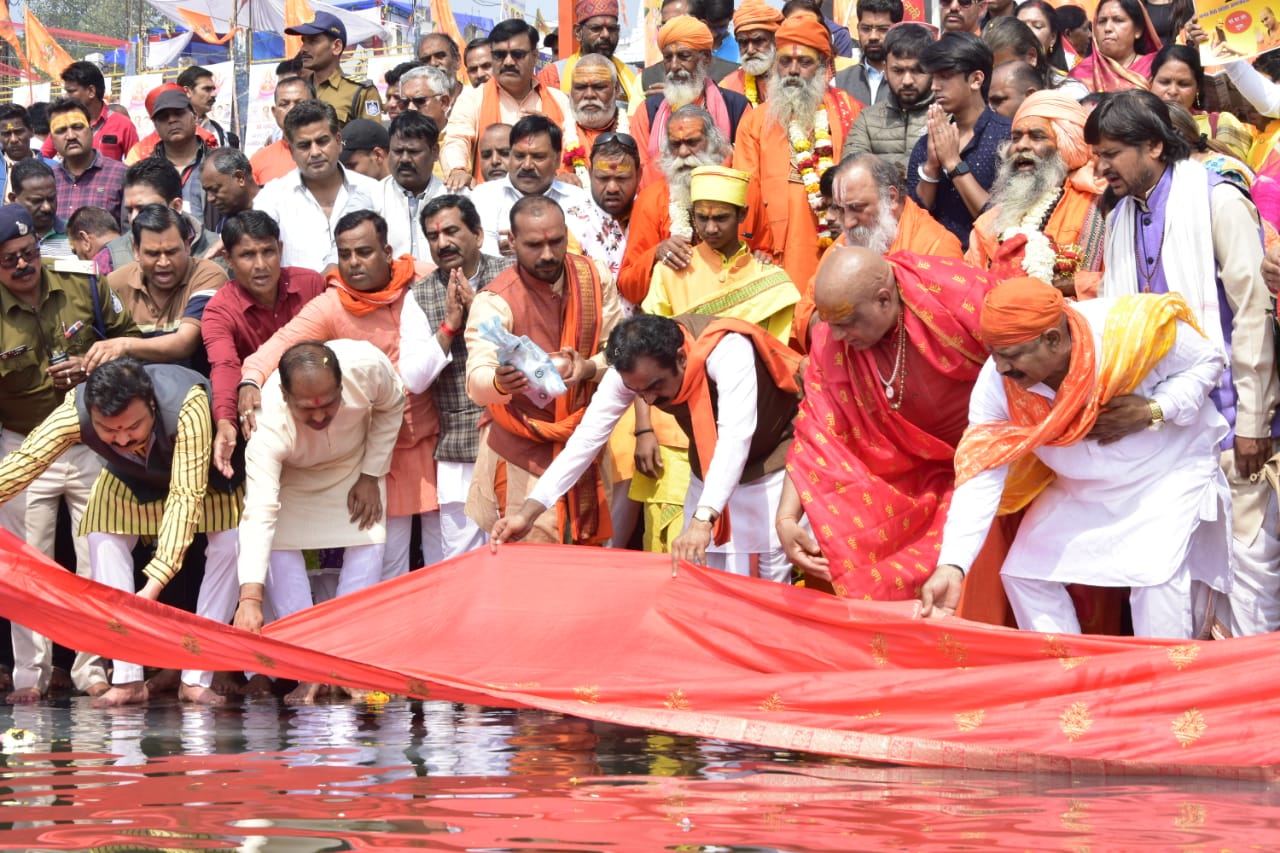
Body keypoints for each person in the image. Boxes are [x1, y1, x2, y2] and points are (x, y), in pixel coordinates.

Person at [921, 278, 1230, 640]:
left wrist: (1154, 409)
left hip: (1165, 476)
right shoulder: (998, 383)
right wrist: (953, 564)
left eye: (1011, 355)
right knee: (1024, 574)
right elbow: (981, 471)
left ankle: (1166, 674)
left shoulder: (1125, 330)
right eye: (994, 354)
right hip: (1081, 490)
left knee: (1154, 581)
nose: (1001, 368)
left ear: (1053, 339)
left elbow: (1208, 360)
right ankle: (1070, 668)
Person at [1090, 91, 1280, 637]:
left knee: (1247, 574)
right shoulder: (1121, 217)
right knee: (1173, 581)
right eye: (1097, 155)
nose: (1100, 169)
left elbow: (1252, 313)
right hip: (1163, 430)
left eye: (1111, 154)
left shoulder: (1218, 201)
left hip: (1232, 425)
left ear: (1153, 145)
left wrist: (1254, 421)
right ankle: (1190, 689)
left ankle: (1249, 689)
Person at [0, 355, 244, 704]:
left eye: (133, 426)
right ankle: (127, 678)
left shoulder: (187, 405)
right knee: (101, 534)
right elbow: (25, 462)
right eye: (109, 430)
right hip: (129, 481)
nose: (123, 438)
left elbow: (184, 497)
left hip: (201, 482)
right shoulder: (74, 410)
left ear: (151, 405)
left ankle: (196, 676)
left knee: (232, 543)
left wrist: (154, 585)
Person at [491, 311, 802, 580]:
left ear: (681, 358)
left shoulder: (729, 350)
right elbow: (586, 441)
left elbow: (735, 438)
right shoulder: (631, 372)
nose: (649, 400)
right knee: (703, 582)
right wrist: (528, 512)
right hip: (708, 473)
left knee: (767, 587)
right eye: (638, 392)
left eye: (655, 386)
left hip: (771, 469)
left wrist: (702, 520)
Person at [238, 211, 452, 580]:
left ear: (387, 252)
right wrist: (251, 379)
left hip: (439, 439)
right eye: (345, 254)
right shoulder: (332, 305)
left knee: (446, 554)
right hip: (381, 453)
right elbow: (281, 344)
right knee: (389, 565)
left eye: (364, 252)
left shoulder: (422, 280)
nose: (353, 263)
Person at [780, 243, 994, 601]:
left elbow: (1032, 345)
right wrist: (786, 516)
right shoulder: (833, 342)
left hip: (993, 465)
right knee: (853, 538)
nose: (837, 336)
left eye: (846, 323)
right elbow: (816, 428)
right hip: (911, 480)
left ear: (883, 299)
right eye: (830, 325)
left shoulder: (954, 293)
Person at [0, 204, 138, 703]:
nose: (23, 265)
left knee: (98, 559)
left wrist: (94, 364)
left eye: (28, 252)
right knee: (27, 568)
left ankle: (91, 667)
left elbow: (131, 341)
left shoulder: (82, 283)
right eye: (9, 259)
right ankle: (30, 676)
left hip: (90, 440)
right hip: (24, 445)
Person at [232, 340, 405, 703]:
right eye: (307, 408)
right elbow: (259, 512)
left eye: (329, 403)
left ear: (342, 384)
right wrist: (249, 596)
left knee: (369, 540)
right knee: (277, 548)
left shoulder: (367, 366)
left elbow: (393, 404)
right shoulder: (267, 425)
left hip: (355, 467)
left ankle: (344, 665)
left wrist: (372, 473)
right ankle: (309, 669)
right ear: (285, 396)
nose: (319, 417)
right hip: (292, 479)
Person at [463, 196, 623, 545]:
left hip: (584, 443)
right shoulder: (495, 301)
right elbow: (476, 381)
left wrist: (589, 368)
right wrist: (499, 382)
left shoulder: (593, 277)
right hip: (522, 451)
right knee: (529, 562)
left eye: (556, 241)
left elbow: (620, 351)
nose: (548, 254)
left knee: (586, 561)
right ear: (512, 241)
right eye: (534, 245)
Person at [413, 195, 513, 561]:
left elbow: (535, 351)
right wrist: (449, 326)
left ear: (479, 235)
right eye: (433, 236)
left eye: (452, 232)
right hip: (460, 452)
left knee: (521, 557)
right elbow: (415, 379)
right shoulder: (419, 295)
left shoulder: (513, 277)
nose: (442, 243)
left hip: (518, 441)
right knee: (462, 565)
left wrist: (478, 313)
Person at [733, 13, 862, 294]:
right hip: (772, 254)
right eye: (785, 61)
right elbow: (745, 193)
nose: (793, 70)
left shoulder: (850, 111)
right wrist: (753, 249)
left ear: (823, 66)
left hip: (838, 247)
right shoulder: (755, 122)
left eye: (804, 62)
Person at [202, 211, 327, 477]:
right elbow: (224, 366)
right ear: (228, 260)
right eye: (247, 255)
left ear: (280, 249)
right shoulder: (219, 310)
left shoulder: (311, 284)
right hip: (265, 415)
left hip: (321, 404)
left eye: (268, 252)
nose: (261, 265)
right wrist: (225, 422)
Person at [617, 105, 770, 307]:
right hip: (677, 317)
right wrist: (656, 254)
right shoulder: (650, 200)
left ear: (713, 143)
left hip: (741, 311)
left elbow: (767, 253)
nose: (683, 152)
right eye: (675, 144)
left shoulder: (746, 191)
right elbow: (628, 286)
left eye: (692, 142)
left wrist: (762, 260)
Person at [966, 91, 1107, 299]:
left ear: (1064, 145)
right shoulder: (989, 223)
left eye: (1037, 136)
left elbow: (1128, 282)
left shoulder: (1099, 208)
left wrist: (1071, 284)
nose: (1021, 145)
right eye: (1016, 137)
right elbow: (969, 284)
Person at [89, 204, 226, 374]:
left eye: (172, 252)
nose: (164, 262)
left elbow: (185, 343)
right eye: (153, 254)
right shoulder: (115, 284)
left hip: (196, 386)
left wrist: (125, 345)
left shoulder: (208, 275)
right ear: (136, 251)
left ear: (187, 245)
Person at [907, 32, 1012, 249]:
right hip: (933, 259)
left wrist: (953, 163)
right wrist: (932, 167)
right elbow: (914, 218)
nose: (934, 86)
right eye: (933, 77)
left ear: (976, 80)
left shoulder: (1007, 137)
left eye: (945, 76)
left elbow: (999, 221)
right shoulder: (927, 143)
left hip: (987, 259)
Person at [441, 19, 572, 189]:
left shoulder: (559, 100)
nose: (508, 62)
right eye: (500, 55)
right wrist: (458, 170)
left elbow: (572, 144)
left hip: (548, 196)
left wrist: (550, 132)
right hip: (493, 197)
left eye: (517, 54)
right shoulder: (472, 99)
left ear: (534, 56)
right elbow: (457, 139)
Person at [252, 100, 380, 271]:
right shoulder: (272, 198)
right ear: (292, 151)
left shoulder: (373, 190)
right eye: (304, 145)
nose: (315, 152)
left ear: (338, 141)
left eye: (322, 141)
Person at [630, 16, 753, 182]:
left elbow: (745, 168)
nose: (674, 66)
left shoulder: (736, 107)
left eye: (684, 56)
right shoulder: (647, 111)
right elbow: (641, 173)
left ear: (706, 58)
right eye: (668, 58)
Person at [467, 115, 590, 257]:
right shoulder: (484, 196)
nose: (527, 165)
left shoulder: (577, 198)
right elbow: (484, 259)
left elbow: (591, 257)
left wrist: (524, 249)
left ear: (557, 160)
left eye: (538, 157)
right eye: (519, 156)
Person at [95, 158, 220, 276]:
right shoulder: (110, 258)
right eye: (129, 210)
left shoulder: (217, 250)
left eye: (144, 209)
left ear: (176, 206)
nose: (133, 218)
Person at [842, 23, 935, 172]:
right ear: (885, 69)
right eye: (898, 71)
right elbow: (852, 171)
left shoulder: (949, 116)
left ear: (932, 69)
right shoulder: (867, 120)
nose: (907, 81)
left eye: (917, 70)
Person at [127, 89, 215, 231]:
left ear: (194, 116)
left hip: (210, 244)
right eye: (163, 117)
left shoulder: (217, 164)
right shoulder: (143, 173)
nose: (172, 120)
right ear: (155, 126)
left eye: (178, 113)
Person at [563, 134, 641, 288]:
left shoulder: (653, 211)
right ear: (590, 174)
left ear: (639, 176)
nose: (612, 188)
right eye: (603, 178)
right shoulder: (570, 222)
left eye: (622, 178)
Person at [536, 0, 644, 107]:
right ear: (578, 32)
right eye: (596, 28)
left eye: (612, 29)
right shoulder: (553, 76)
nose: (606, 35)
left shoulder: (638, 77)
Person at [285, 12, 382, 126]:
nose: (303, 49)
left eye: (313, 41)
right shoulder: (298, 91)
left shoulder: (361, 92)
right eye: (303, 41)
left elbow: (372, 135)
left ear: (336, 47)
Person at [375, 111, 446, 265]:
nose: (405, 159)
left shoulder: (453, 197)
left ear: (435, 152)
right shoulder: (373, 197)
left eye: (413, 152)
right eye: (398, 151)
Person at [47, 99, 127, 228]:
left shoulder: (121, 175)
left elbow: (130, 232)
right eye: (61, 130)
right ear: (52, 139)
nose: (71, 136)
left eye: (77, 127)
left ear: (91, 130)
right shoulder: (48, 179)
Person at [40, 62, 138, 162]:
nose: (66, 96)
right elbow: (42, 159)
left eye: (71, 91)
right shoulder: (63, 125)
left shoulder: (123, 124)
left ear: (91, 91)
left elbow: (137, 164)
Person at [640, 0, 740, 94]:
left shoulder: (733, 76)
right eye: (665, 25)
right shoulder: (646, 79)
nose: (674, 66)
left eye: (679, 25)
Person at [1069, 0, 1159, 93]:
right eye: (1102, 21)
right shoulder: (1080, 73)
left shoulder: (1155, 68)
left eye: (1118, 20)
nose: (1107, 28)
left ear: (1138, 30)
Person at [562, 55, 630, 180]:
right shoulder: (556, 134)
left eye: (599, 87)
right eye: (580, 87)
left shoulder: (635, 128)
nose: (589, 95)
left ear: (616, 89)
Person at [834, 0, 904, 106]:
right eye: (866, 29)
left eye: (883, 29)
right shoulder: (839, 81)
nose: (873, 37)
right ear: (858, 29)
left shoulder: (911, 81)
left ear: (898, 30)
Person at [250, 76, 314, 185]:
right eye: (284, 104)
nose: (292, 109)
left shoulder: (330, 152)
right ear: (274, 112)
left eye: (300, 103)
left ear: (316, 106)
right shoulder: (258, 161)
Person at [719, 0, 785, 106]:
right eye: (743, 42)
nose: (750, 50)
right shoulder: (727, 88)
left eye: (758, 40)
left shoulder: (794, 79)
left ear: (775, 40)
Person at [8, 160, 72, 258]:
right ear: (13, 199)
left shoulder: (75, 234)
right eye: (37, 201)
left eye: (51, 198)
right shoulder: (4, 237)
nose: (47, 207)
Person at [177, 65, 238, 149]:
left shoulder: (218, 132)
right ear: (187, 92)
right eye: (207, 89)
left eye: (213, 89)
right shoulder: (168, 128)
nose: (214, 94)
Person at [199, 147, 259, 228]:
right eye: (207, 192)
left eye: (215, 189)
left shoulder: (273, 210)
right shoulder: (223, 224)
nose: (209, 199)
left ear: (240, 178)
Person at [0, 105, 46, 201]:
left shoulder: (53, 168)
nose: (13, 139)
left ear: (32, 131)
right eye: (6, 134)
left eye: (19, 132)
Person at [1017, 0, 1071, 73]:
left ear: (1053, 37)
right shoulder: (1001, 73)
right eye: (1020, 25)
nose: (1027, 30)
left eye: (1037, 26)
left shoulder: (1065, 80)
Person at [417, 32, 465, 103]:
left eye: (440, 56)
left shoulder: (478, 100)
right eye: (426, 59)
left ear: (457, 60)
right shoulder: (416, 105)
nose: (433, 63)